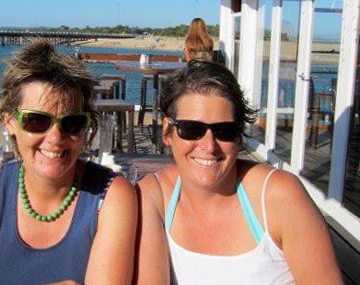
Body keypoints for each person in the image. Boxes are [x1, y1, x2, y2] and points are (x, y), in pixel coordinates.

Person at [0, 39, 137, 285]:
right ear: (11, 122)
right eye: (37, 121)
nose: (55, 138)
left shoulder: (110, 195)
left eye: (72, 123)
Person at [135, 60, 343, 284]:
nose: (209, 146)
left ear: (238, 136)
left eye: (224, 131)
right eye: (191, 129)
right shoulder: (153, 195)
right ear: (167, 132)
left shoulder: (278, 197)